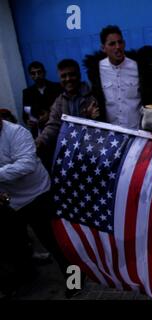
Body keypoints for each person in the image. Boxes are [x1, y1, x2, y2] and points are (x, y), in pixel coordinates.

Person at [0, 116, 72, 298]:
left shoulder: (16, 133)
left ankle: (76, 280)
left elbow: (26, 165)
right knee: (14, 244)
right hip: (11, 201)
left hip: (37, 195)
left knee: (56, 243)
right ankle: (25, 278)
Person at [36, 59, 100, 165]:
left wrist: (94, 118)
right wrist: (40, 141)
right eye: (63, 76)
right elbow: (53, 126)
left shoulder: (94, 95)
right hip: (72, 155)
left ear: (79, 75)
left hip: (94, 152)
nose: (68, 79)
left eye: (71, 75)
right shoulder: (59, 102)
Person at [22, 61, 61, 137]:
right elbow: (25, 114)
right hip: (39, 132)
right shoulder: (27, 93)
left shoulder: (57, 88)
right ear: (30, 76)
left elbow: (63, 108)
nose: (37, 76)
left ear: (44, 73)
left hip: (57, 128)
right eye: (33, 73)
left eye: (39, 72)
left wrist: (49, 115)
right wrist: (28, 122)